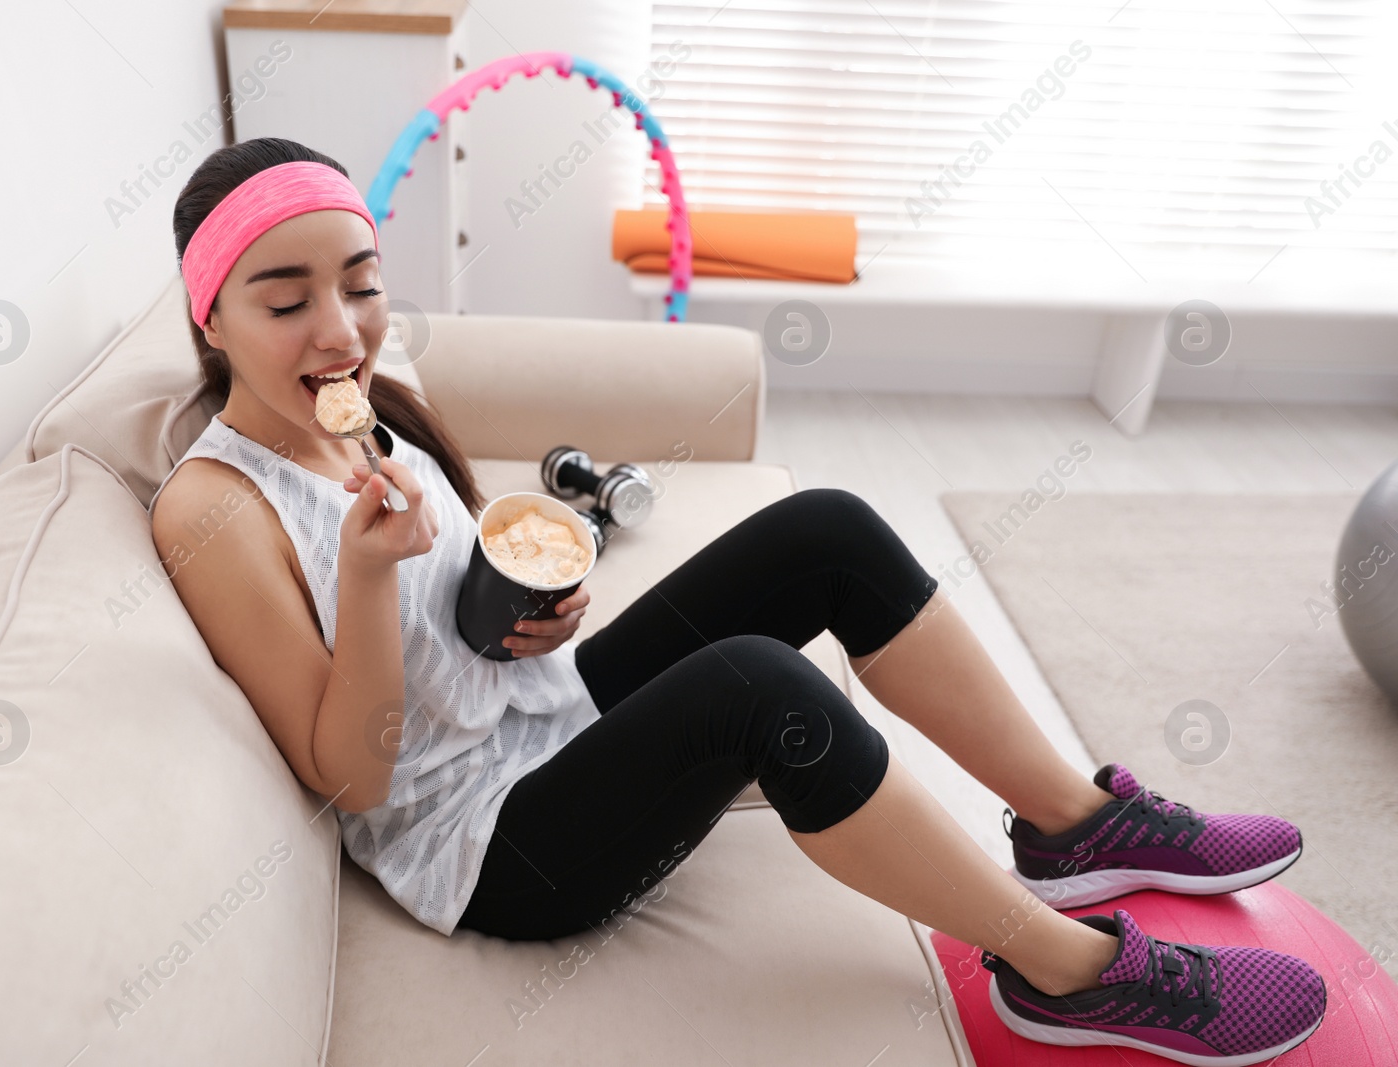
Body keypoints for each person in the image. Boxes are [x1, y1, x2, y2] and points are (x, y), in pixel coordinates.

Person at [147, 137, 1326, 1066]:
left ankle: (1074, 826)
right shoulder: (212, 509)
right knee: (761, 682)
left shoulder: (374, 404)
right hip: (485, 847)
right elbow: (351, 776)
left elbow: (457, 624)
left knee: (830, 529)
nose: (340, 329)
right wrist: (360, 574)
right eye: (284, 298)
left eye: (358, 285)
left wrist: (531, 617)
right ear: (211, 317)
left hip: (541, 717)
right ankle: (1066, 970)